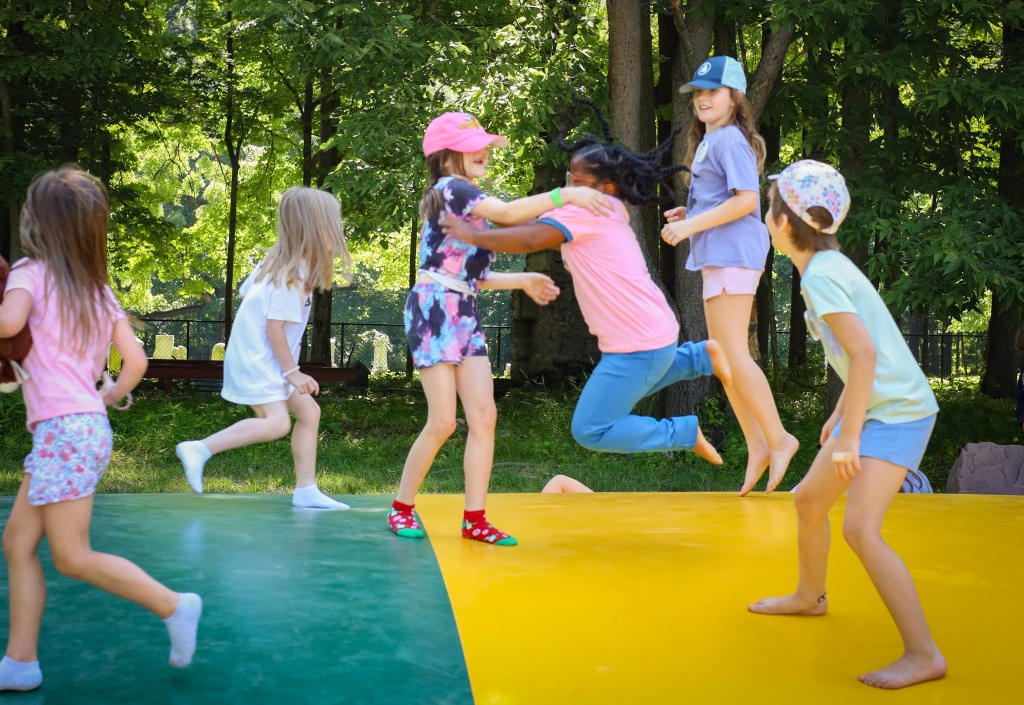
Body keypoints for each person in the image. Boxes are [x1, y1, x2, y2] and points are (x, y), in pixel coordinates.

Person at [439, 104, 731, 467]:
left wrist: (471, 235)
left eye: (578, 182)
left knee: (592, 428)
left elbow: (529, 238)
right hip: (653, 334)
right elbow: (524, 217)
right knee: (647, 372)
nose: (569, 186)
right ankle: (701, 357)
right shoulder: (610, 209)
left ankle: (682, 433)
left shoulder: (588, 212)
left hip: (636, 344)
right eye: (568, 176)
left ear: (606, 188)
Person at [0, 167, 201, 691]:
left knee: (71, 556)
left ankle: (174, 605)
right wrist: (107, 395)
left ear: (38, 222)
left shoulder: (29, 273)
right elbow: (134, 361)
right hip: (82, 428)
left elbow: (8, 324)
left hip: (64, 432)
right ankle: (20, 662)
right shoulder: (97, 290)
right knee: (19, 542)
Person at [748, 160, 945, 690]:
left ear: (786, 223)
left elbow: (863, 355)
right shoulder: (826, 268)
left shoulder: (824, 276)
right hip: (877, 406)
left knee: (861, 528)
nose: (767, 216)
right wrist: (840, 415)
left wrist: (850, 435)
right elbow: (856, 352)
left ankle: (924, 654)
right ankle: (809, 596)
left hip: (899, 413)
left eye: (771, 209)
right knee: (809, 502)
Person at [389, 111, 612, 547]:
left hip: (463, 308)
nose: (486, 152)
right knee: (442, 422)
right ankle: (401, 508)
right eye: (476, 145)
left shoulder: (469, 204)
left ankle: (475, 518)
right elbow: (510, 214)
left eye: (487, 145)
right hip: (433, 308)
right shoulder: (452, 190)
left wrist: (523, 280)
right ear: (447, 155)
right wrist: (564, 194)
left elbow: (473, 278)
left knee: (485, 416)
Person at [660, 56, 798, 496]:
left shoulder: (731, 141)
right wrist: (691, 212)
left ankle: (780, 439)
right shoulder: (708, 141)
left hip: (735, 254)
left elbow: (745, 201)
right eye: (698, 92)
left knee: (735, 356)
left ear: (734, 98)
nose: (702, 98)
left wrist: (688, 226)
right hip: (718, 256)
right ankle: (757, 444)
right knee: (723, 359)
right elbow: (721, 201)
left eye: (712, 91)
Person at [176, 187, 352, 510]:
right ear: (313, 230)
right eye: (332, 226)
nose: (336, 235)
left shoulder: (277, 265)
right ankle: (200, 448)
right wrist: (292, 373)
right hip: (260, 360)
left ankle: (306, 489)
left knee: (309, 413)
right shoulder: (293, 275)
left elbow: (250, 296)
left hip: (266, 358)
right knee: (277, 423)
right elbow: (274, 328)